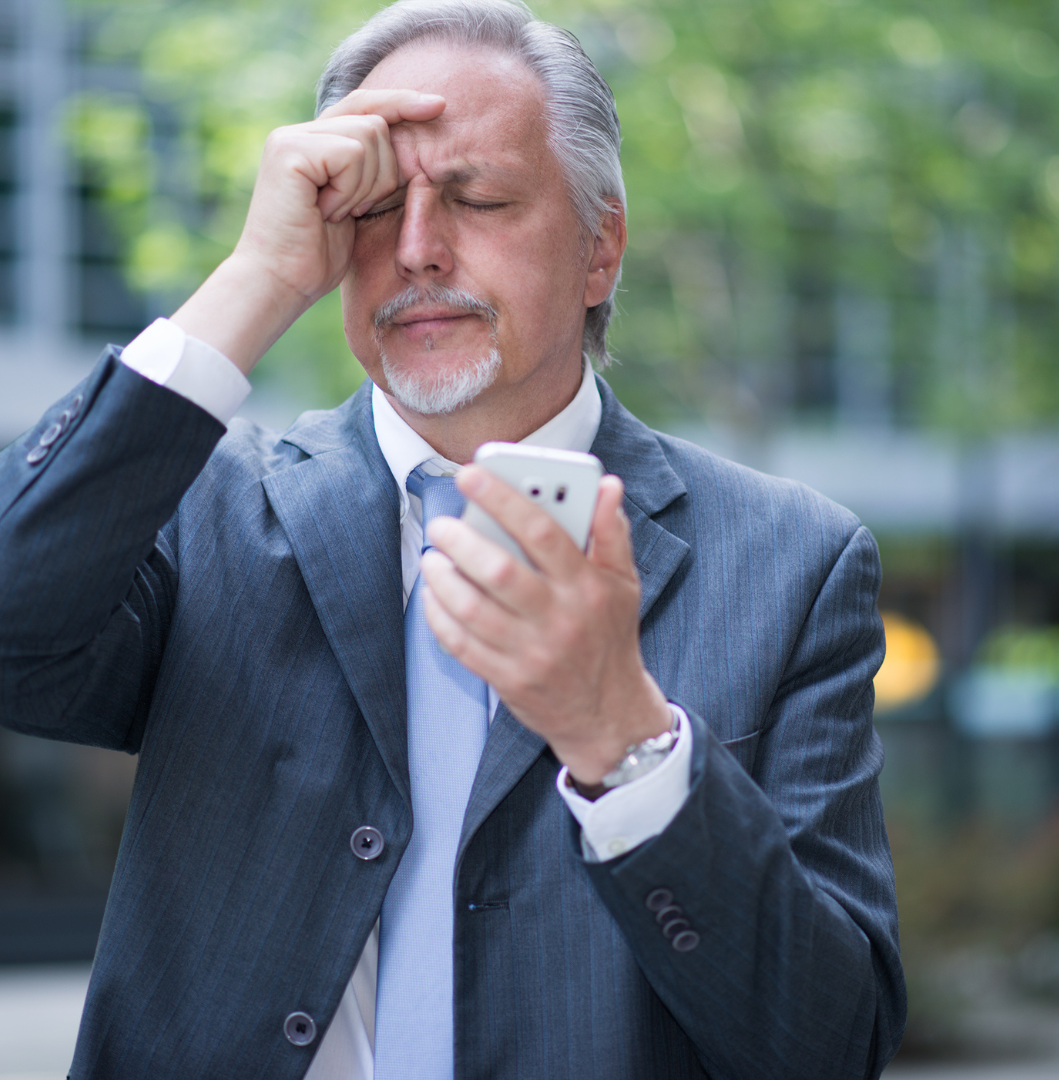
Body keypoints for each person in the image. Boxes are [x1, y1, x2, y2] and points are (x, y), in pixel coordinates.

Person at [0, 0, 906, 1076]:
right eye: (372, 210)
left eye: (478, 198)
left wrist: (627, 743)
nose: (418, 250)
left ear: (600, 246)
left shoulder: (794, 563)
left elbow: (830, 1043)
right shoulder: (202, 504)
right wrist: (257, 279)